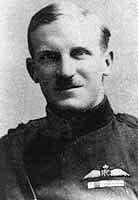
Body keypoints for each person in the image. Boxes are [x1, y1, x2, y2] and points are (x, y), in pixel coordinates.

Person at [0, 0, 138, 199]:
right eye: (49, 57)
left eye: (79, 53)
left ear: (106, 62)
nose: (66, 71)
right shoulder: (7, 156)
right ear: (33, 70)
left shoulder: (134, 145)